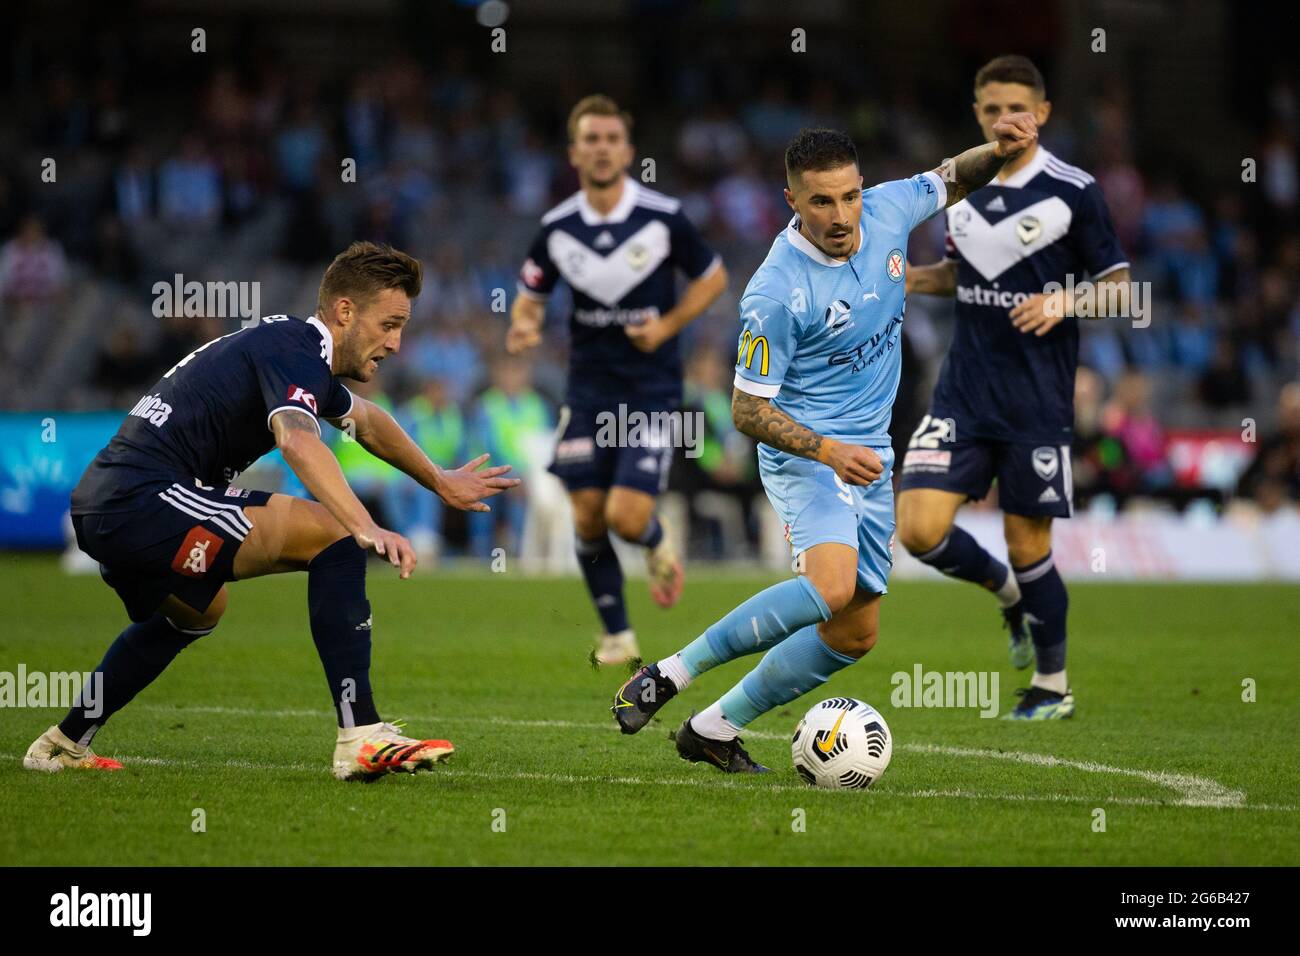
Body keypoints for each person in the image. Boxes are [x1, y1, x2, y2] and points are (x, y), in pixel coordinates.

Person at [613, 115, 1038, 771]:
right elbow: (747, 409)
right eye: (821, 201)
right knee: (830, 586)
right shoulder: (775, 293)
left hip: (869, 456)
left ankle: (713, 727)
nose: (840, 215)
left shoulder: (891, 210)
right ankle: (670, 673)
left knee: (854, 633)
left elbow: (954, 176)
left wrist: (1002, 150)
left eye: (849, 196)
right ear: (792, 201)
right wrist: (825, 451)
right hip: (805, 454)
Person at [24, 241, 519, 780]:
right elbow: (298, 442)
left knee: (198, 612)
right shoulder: (295, 348)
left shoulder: (296, 353)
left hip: (113, 502)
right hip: (141, 497)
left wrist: (441, 480)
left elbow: (369, 423)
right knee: (333, 536)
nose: (396, 344)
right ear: (345, 311)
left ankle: (63, 741)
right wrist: (365, 525)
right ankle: (361, 734)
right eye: (390, 324)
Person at [898, 55, 1132, 719]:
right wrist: (912, 278)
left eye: (1018, 107)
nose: (1006, 119)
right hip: (962, 394)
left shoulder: (1074, 190)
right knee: (917, 530)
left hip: (1037, 402)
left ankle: (1052, 687)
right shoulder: (961, 187)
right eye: (993, 108)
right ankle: (1004, 592)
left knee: (1031, 544)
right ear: (978, 114)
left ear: (1044, 113)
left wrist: (1062, 302)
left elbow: (1123, 290)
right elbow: (959, 273)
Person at [507, 94, 728, 665]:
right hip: (587, 390)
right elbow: (529, 298)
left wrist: (669, 325)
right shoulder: (557, 228)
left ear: (627, 150)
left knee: (625, 518)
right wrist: (524, 327)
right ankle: (618, 635)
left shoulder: (663, 216)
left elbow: (713, 277)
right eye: (591, 139)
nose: (601, 149)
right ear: (574, 152)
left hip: (651, 391)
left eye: (611, 139)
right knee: (585, 514)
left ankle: (656, 541)